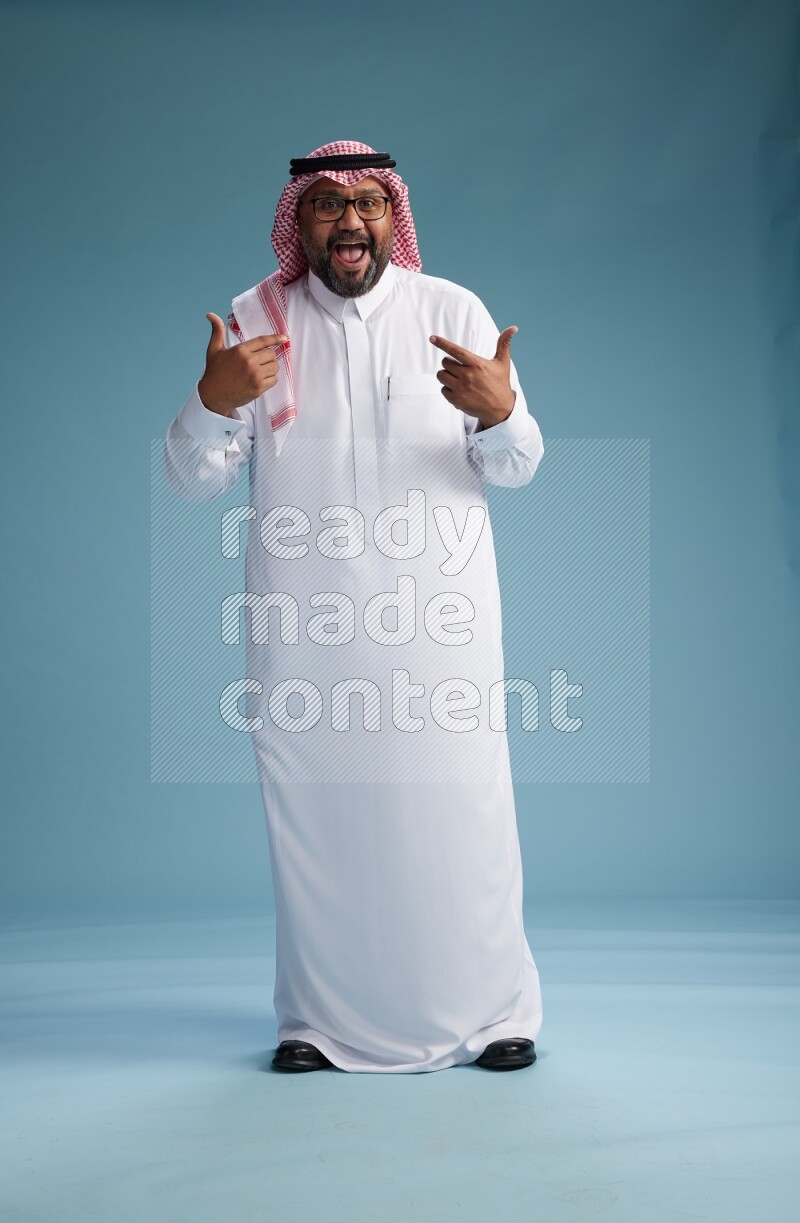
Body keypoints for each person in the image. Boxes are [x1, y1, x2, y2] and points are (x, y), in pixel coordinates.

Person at [163, 140, 546, 1074]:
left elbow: (519, 466)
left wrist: (501, 414)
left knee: (464, 821)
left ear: (392, 216)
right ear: (301, 219)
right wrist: (212, 405)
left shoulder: (450, 309)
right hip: (308, 637)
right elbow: (190, 480)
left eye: (369, 202)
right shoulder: (257, 315)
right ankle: (316, 1025)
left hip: (439, 635)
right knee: (320, 830)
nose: (350, 221)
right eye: (328, 203)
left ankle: (497, 1013)